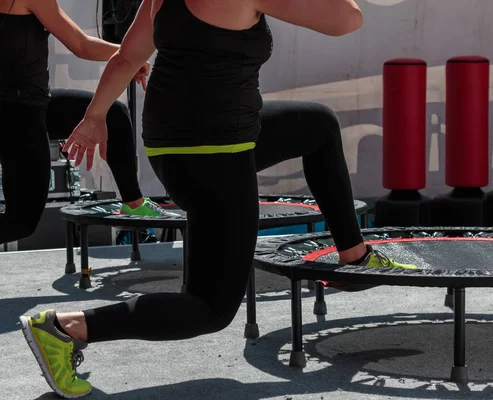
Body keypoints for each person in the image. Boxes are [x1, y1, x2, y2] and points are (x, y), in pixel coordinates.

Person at [19, 0, 419, 397]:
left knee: (317, 126)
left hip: (178, 146)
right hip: (213, 155)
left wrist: (94, 117)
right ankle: (65, 328)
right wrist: (94, 117)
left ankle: (352, 254)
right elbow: (347, 19)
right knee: (208, 309)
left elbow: (127, 58)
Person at [0, 0, 175, 245]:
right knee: (21, 222)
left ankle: (134, 204)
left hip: (31, 105)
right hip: (20, 113)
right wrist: (128, 59)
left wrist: (125, 58)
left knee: (113, 114)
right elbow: (81, 45)